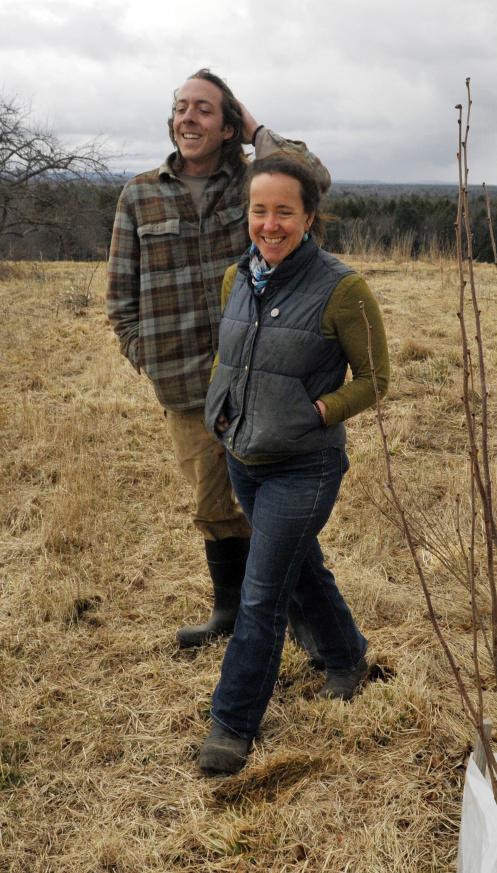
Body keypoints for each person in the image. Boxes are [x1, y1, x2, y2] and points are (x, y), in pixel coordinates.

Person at [106, 69, 331, 653]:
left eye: (205, 109)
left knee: (272, 506)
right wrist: (147, 355)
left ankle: (306, 621)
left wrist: (256, 129)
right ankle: (229, 610)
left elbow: (316, 177)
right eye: (181, 107)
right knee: (213, 505)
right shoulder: (139, 195)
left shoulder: (256, 182)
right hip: (183, 383)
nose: (188, 117)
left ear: (229, 126)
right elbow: (120, 298)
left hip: (262, 375)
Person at [196, 151, 389, 774]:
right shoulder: (236, 279)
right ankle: (346, 657)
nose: (270, 224)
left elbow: (377, 379)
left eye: (285, 211)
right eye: (260, 210)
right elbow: (235, 362)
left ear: (310, 216)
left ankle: (232, 723)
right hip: (243, 457)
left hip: (304, 467)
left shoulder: (343, 288)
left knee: (260, 594)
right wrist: (224, 413)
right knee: (299, 569)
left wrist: (323, 412)